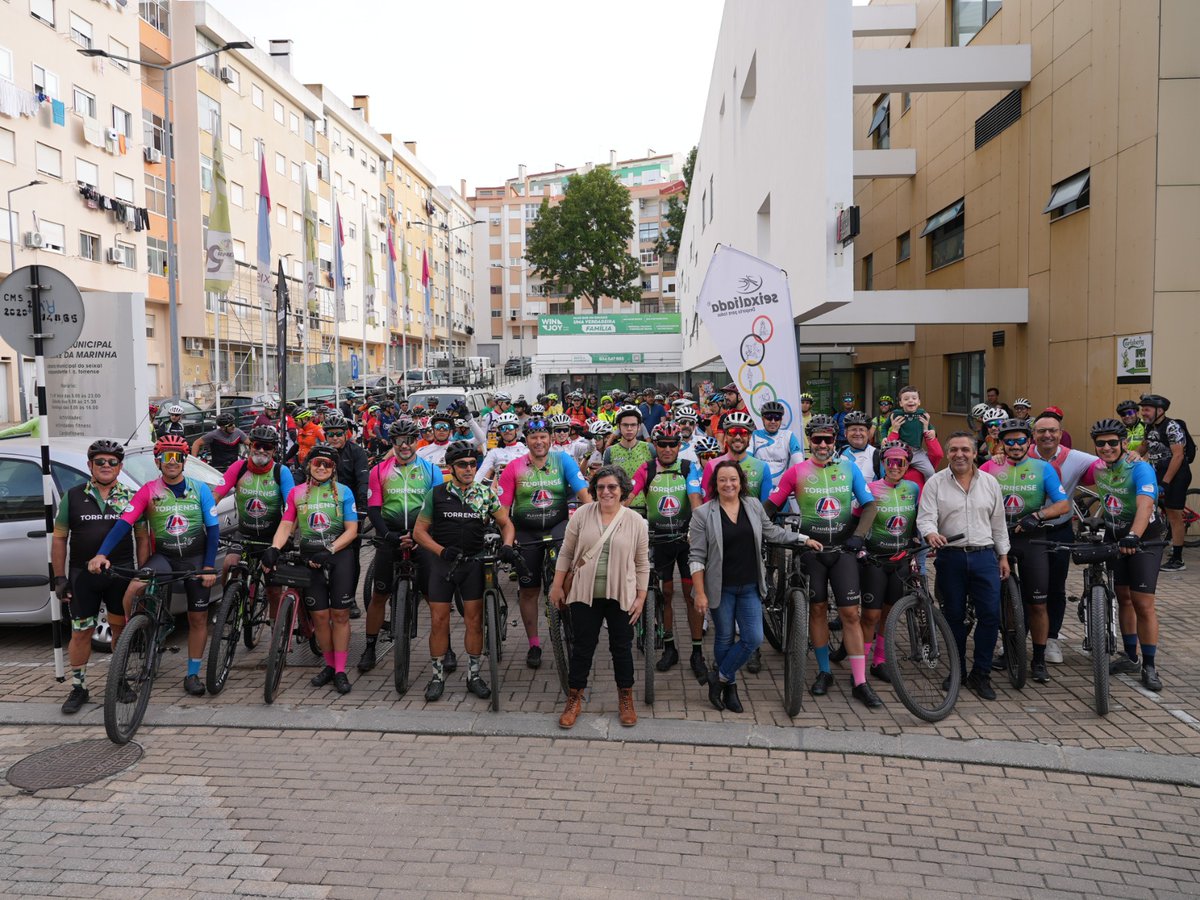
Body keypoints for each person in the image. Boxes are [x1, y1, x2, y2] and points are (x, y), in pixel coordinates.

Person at [88, 434, 220, 697]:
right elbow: (123, 524)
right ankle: (135, 634)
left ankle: (192, 674)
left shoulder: (201, 489)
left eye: (176, 457)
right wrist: (101, 553)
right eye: (165, 457)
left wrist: (207, 567)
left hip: (195, 558)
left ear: (184, 461)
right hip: (165, 558)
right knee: (134, 588)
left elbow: (213, 530)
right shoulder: (149, 490)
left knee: (198, 618)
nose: (171, 462)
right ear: (158, 462)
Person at [765, 414, 881, 707]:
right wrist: (763, 532)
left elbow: (869, 505)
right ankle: (825, 672)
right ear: (809, 441)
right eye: (817, 439)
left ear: (834, 441)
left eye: (828, 439)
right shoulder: (797, 471)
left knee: (851, 614)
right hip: (811, 551)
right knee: (816, 610)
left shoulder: (849, 468)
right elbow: (769, 507)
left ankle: (860, 681)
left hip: (842, 550)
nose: (823, 444)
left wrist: (859, 536)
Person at [690, 460, 820, 712]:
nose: (728, 484)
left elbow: (772, 532)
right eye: (723, 480)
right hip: (721, 587)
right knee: (725, 638)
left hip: (749, 584)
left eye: (733, 479)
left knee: (753, 637)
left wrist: (803, 539)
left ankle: (719, 678)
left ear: (741, 482)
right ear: (715, 484)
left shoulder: (752, 506)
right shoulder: (703, 514)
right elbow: (695, 556)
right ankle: (731, 687)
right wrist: (701, 593)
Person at [413, 441, 520, 701]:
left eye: (473, 464)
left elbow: (506, 523)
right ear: (451, 468)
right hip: (443, 564)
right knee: (439, 622)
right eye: (462, 464)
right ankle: (437, 676)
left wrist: (506, 545)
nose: (469, 468)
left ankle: (474, 675)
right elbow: (419, 532)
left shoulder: (485, 494)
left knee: (474, 621)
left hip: (474, 563)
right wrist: (440, 551)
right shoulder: (436, 494)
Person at [53, 440, 149, 714]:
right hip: (83, 575)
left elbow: (142, 537)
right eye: (100, 462)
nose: (106, 466)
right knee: (81, 632)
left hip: (120, 573)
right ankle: (79, 687)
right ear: (89, 466)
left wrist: (142, 573)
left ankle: (119, 681)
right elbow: (60, 539)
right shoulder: (72, 496)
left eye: (112, 462)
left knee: (119, 629)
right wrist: (59, 578)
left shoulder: (132, 496)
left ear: (120, 466)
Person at [549, 465, 648, 728]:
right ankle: (574, 699)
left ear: (622, 490)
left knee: (622, 649)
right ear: (594, 490)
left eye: (612, 487)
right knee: (583, 648)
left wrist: (641, 596)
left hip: (621, 595)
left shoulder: (636, 521)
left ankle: (625, 699)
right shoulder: (581, 514)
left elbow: (641, 563)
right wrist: (557, 586)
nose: (606, 492)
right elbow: (566, 553)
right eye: (601, 487)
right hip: (584, 593)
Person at [916, 431, 1010, 701]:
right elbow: (926, 518)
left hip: (984, 557)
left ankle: (982, 673)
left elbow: (999, 523)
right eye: (954, 450)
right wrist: (931, 533)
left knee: (990, 616)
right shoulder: (935, 482)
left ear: (974, 453)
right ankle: (957, 671)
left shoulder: (990, 482)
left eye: (965, 450)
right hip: (951, 557)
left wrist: (1003, 556)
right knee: (953, 617)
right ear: (947, 454)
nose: (960, 454)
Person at [261, 443, 359, 694]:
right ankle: (328, 665)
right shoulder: (297, 493)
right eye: (318, 463)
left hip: (339, 557)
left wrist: (330, 550)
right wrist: (275, 547)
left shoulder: (345, 492)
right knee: (320, 617)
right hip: (310, 559)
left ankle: (340, 670)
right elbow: (286, 525)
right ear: (309, 466)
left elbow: (352, 530)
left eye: (328, 464)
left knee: (340, 616)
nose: (323, 467)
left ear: (334, 468)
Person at [496, 416, 592, 668]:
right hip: (527, 533)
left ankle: (573, 626)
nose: (539, 442)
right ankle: (534, 644)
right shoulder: (513, 467)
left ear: (550, 438)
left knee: (570, 579)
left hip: (558, 528)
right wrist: (508, 541)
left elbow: (585, 496)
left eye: (543, 437)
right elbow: (503, 512)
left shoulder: (563, 461)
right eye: (533, 438)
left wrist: (597, 524)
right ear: (525, 440)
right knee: (529, 591)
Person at [979, 418, 1071, 683]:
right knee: (1004, 602)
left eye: (1021, 440)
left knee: (1038, 603)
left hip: (1032, 538)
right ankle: (1009, 648)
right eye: (1010, 441)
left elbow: (1063, 505)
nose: (1016, 445)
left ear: (1029, 442)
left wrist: (1039, 516)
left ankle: (1039, 659)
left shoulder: (1044, 468)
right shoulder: (989, 467)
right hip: (998, 538)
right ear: (1001, 444)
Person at [358, 419, 444, 673]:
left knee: (434, 598)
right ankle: (370, 647)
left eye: (409, 440)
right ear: (392, 443)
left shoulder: (431, 470)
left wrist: (424, 535)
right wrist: (387, 536)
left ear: (417, 441)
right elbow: (373, 510)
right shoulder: (379, 470)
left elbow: (438, 508)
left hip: (422, 536)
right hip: (390, 536)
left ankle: (446, 648)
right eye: (399, 441)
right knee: (379, 595)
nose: (404, 445)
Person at [1090, 418, 1165, 691]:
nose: (1107, 448)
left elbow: (1145, 505)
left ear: (1123, 443)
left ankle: (1149, 665)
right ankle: (1130, 656)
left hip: (1145, 539)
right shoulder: (1097, 467)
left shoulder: (1140, 468)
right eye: (1101, 443)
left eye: (1112, 442)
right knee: (1123, 598)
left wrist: (1134, 535)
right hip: (1114, 536)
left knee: (1143, 602)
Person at [628, 421, 706, 680]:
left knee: (691, 595)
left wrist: (697, 526)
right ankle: (670, 648)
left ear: (680, 445)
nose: (668, 449)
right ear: (655, 444)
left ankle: (697, 652)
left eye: (673, 444)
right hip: (659, 540)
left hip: (685, 540)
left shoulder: (688, 468)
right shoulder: (646, 469)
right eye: (662, 444)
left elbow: (695, 499)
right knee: (666, 594)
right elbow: (628, 496)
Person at [212, 426, 295, 613]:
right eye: (258, 445)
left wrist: (288, 535)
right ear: (251, 446)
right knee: (229, 564)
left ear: (274, 450)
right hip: (244, 533)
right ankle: (228, 606)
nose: (262, 450)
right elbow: (215, 497)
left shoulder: (281, 472)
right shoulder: (238, 468)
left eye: (267, 447)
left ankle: (274, 626)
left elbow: (292, 508)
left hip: (271, 537)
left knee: (273, 590)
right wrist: (203, 519)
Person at [856, 441, 921, 681]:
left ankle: (879, 661)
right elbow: (857, 519)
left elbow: (916, 520)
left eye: (900, 462)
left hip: (901, 560)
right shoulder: (870, 488)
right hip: (875, 559)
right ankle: (859, 668)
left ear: (907, 465)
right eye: (889, 462)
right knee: (870, 616)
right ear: (883, 464)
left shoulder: (913, 488)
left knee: (889, 613)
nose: (894, 466)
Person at [1139, 393, 1192, 572]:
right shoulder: (1149, 427)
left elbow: (1178, 456)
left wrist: (1166, 483)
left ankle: (1178, 559)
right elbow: (1144, 447)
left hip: (1176, 475)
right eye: (1142, 409)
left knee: (1174, 515)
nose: (1143, 413)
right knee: (1152, 507)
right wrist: (1126, 461)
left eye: (1146, 409)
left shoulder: (1172, 427)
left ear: (1159, 410)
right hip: (1158, 473)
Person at [323, 412, 369, 619]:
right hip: (325, 509)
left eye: (339, 434)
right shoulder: (320, 453)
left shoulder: (356, 452)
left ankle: (349, 598)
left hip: (350, 512)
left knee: (351, 556)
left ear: (346, 434)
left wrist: (361, 508)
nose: (335, 438)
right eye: (330, 434)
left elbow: (362, 481)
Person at [698, 411, 773, 503]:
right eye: (732, 432)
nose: (737, 437)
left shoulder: (762, 467)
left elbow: (765, 508)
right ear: (725, 436)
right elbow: (707, 505)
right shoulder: (712, 465)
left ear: (750, 437)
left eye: (743, 432)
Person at [603, 405, 654, 514]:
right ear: (618, 426)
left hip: (646, 509)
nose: (629, 429)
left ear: (639, 427)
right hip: (618, 509)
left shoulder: (649, 448)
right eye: (625, 425)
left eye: (633, 425)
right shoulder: (610, 452)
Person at [750, 400, 804, 488]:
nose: (773, 421)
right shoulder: (755, 435)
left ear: (781, 420)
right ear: (763, 419)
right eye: (769, 417)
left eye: (777, 418)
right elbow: (747, 459)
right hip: (759, 487)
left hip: (781, 489)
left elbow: (799, 462)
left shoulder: (788, 435)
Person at [887, 386, 937, 479]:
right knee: (891, 472)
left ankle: (928, 492)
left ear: (919, 402)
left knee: (930, 472)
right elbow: (884, 427)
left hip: (917, 452)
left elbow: (930, 426)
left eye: (914, 398)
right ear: (901, 403)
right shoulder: (896, 414)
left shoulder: (922, 414)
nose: (910, 401)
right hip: (900, 451)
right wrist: (884, 438)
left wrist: (933, 431)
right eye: (906, 399)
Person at [475, 412, 529, 484]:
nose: (507, 430)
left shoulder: (526, 451)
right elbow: (481, 473)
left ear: (516, 430)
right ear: (499, 431)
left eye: (510, 427)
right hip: (501, 490)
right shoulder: (494, 452)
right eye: (503, 428)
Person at [838, 411, 877, 480]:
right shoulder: (840, 452)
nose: (858, 433)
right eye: (853, 429)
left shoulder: (877, 455)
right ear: (845, 433)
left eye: (862, 430)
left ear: (868, 433)